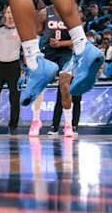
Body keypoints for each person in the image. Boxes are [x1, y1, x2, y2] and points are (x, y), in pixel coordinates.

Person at [28, 10, 78, 138]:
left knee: (65, 86)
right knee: (39, 84)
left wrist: (60, 43)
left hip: (65, 52)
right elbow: (37, 35)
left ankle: (68, 125)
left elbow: (78, 40)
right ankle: (36, 120)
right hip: (48, 51)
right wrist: (33, 54)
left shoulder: (71, 12)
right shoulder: (44, 13)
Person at [0, 6, 24, 134]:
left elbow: (26, 49)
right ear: (4, 14)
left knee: (14, 97)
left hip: (13, 66)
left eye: (13, 12)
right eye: (8, 12)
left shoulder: (21, 30)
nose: (10, 15)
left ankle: (13, 125)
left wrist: (25, 68)